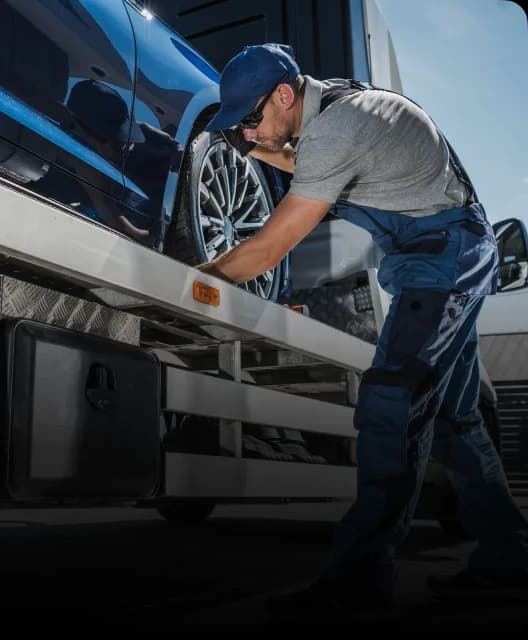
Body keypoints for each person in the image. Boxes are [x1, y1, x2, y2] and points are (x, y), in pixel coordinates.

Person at [198, 43, 528, 613]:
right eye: (239, 129)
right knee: (454, 417)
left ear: (283, 95)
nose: (247, 134)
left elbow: (271, 247)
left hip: (443, 257)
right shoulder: (336, 108)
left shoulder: (339, 128)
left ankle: (360, 576)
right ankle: (510, 557)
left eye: (250, 119)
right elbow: (305, 164)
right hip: (454, 250)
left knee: (390, 402)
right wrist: (252, 141)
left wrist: (192, 276)